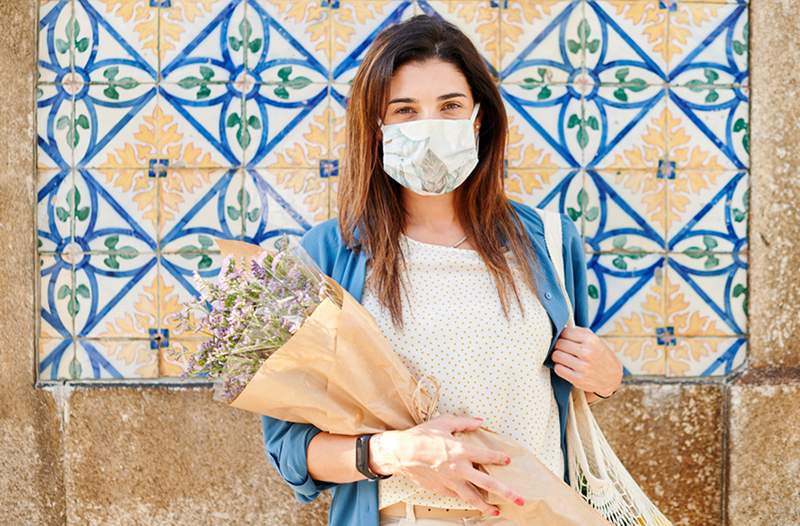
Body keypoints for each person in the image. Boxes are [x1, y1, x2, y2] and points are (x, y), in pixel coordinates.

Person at [260, 14, 623, 526]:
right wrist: (395, 452)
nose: (430, 126)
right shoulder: (326, 255)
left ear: (479, 117)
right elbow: (290, 451)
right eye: (405, 110)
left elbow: (571, 381)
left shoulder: (549, 240)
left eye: (450, 106)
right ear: (377, 127)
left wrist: (606, 376)